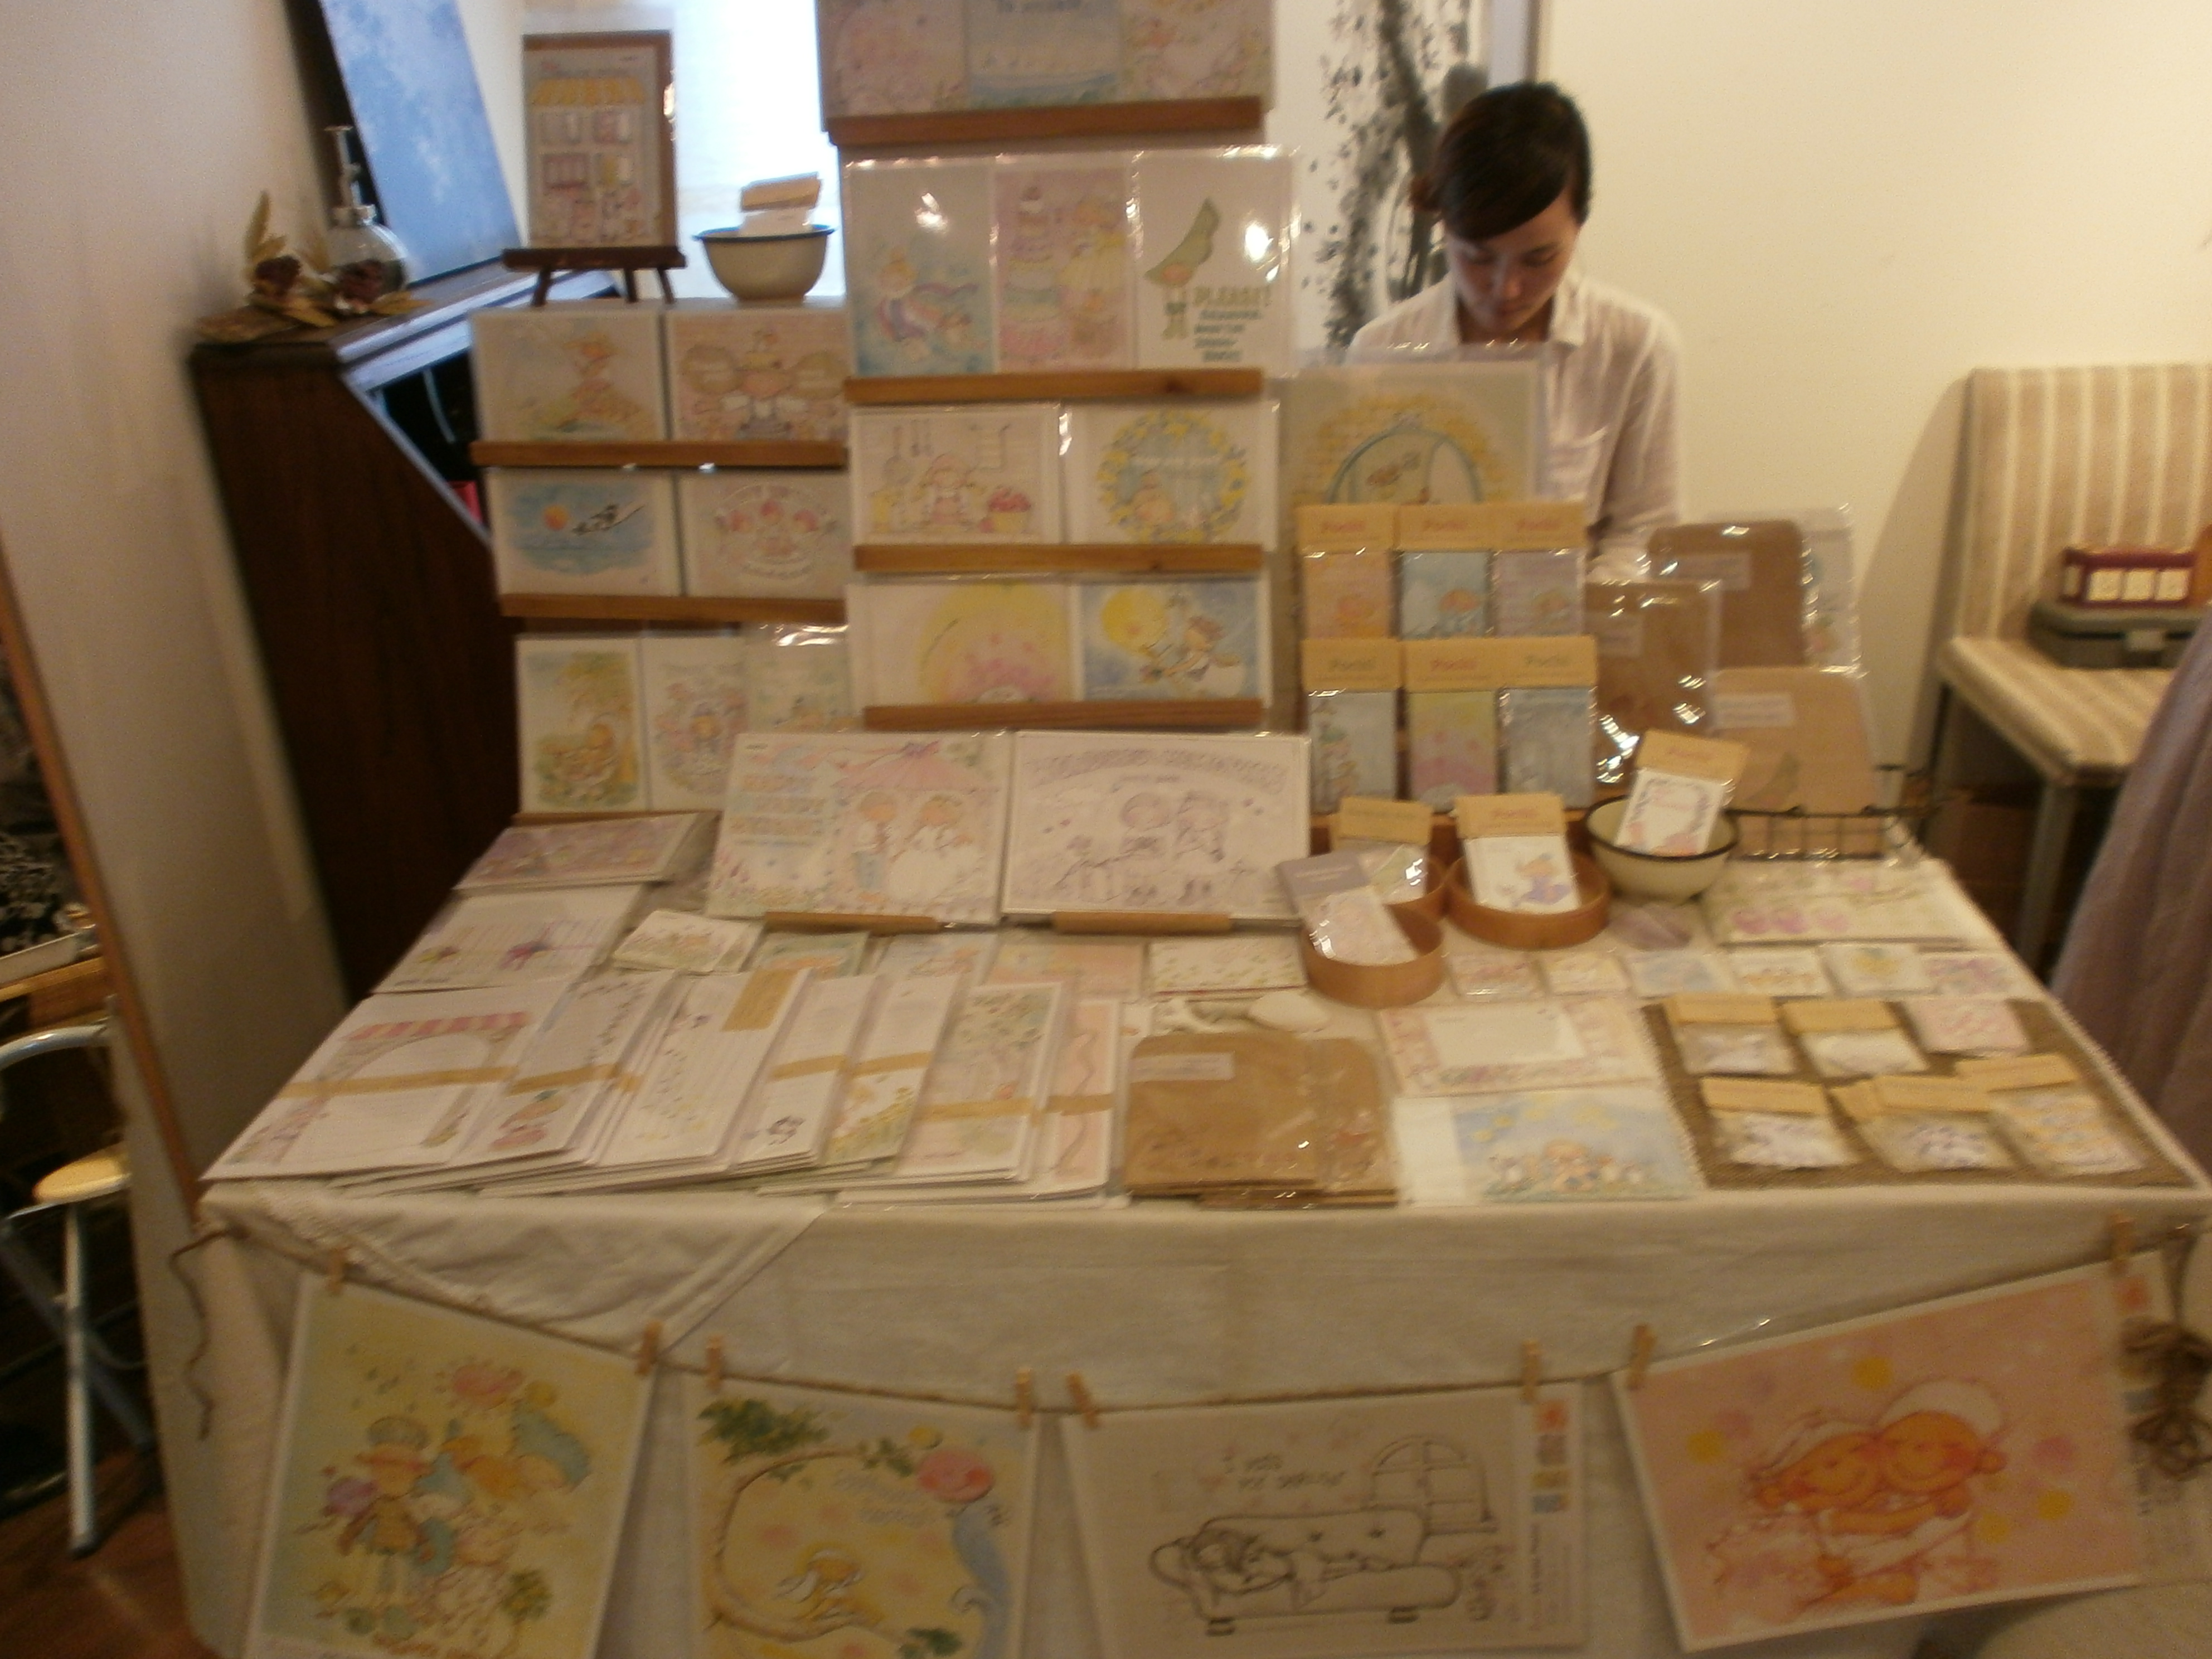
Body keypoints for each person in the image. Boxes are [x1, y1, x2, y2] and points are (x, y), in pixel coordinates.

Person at [1351, 82, 1681, 580]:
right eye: (1478, 258)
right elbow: (1364, 535)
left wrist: (1566, 615)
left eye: (1539, 259)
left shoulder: (1635, 344)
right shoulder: (1382, 352)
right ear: (1444, 227)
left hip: (1582, 617)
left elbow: (1644, 532)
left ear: (1580, 221)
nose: (1507, 289)